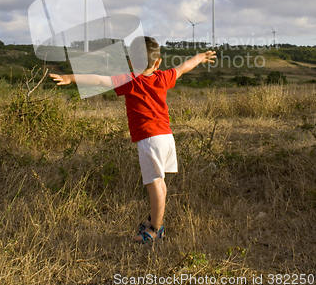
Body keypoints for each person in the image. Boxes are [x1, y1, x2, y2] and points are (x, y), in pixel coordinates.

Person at [50, 36, 216, 243]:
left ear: (130, 63)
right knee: (160, 182)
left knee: (154, 184)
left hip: (150, 139)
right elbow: (184, 67)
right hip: (166, 137)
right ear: (158, 63)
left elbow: (100, 80)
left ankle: (156, 229)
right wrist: (200, 57)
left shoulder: (131, 80)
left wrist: (71, 78)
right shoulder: (163, 77)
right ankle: (154, 221)